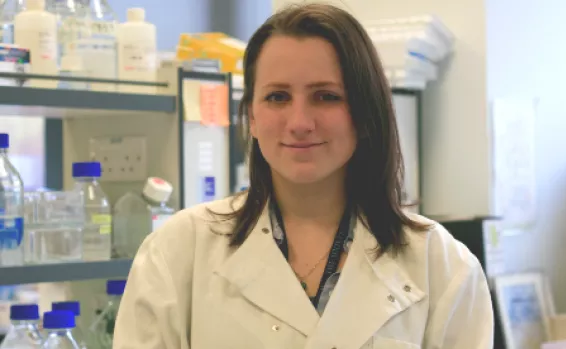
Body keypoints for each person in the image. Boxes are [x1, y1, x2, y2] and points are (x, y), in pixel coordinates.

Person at [113, 3, 494, 349]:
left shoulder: (442, 265)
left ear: (365, 113)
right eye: (277, 97)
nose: (299, 123)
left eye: (326, 96)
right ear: (252, 117)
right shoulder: (178, 251)